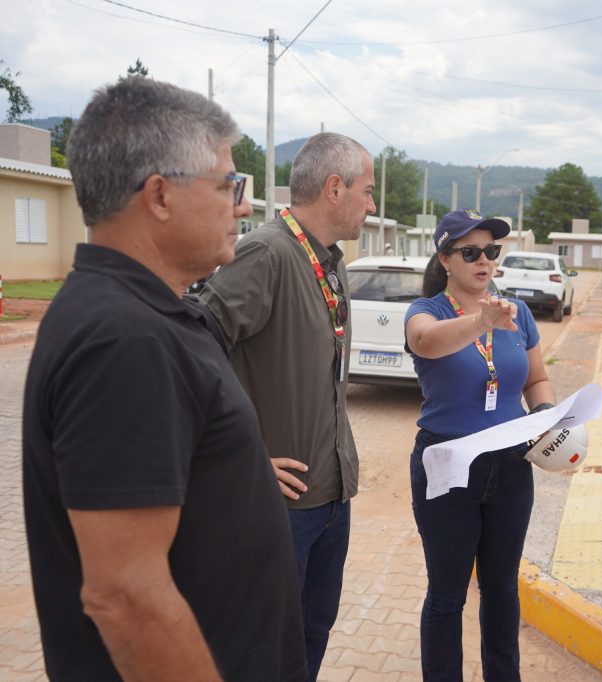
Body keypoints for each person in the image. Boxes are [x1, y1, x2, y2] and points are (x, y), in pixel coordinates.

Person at [22, 77, 306, 680]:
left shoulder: (147, 315)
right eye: (228, 185)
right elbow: (125, 594)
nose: (243, 206)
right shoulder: (125, 338)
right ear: (159, 195)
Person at [200, 132, 376, 680]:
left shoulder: (331, 263)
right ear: (334, 188)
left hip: (330, 494)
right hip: (278, 509)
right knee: (261, 651)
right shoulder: (268, 253)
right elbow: (189, 348)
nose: (371, 206)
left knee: (309, 636)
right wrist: (237, 455)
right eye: (368, 191)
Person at [404, 209, 556, 681]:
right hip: (448, 464)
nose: (484, 260)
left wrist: (547, 418)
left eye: (491, 250)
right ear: (445, 259)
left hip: (511, 464)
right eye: (470, 252)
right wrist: (480, 322)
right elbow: (425, 343)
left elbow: (536, 378)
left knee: (502, 590)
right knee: (447, 595)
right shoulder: (426, 311)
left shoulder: (519, 312)